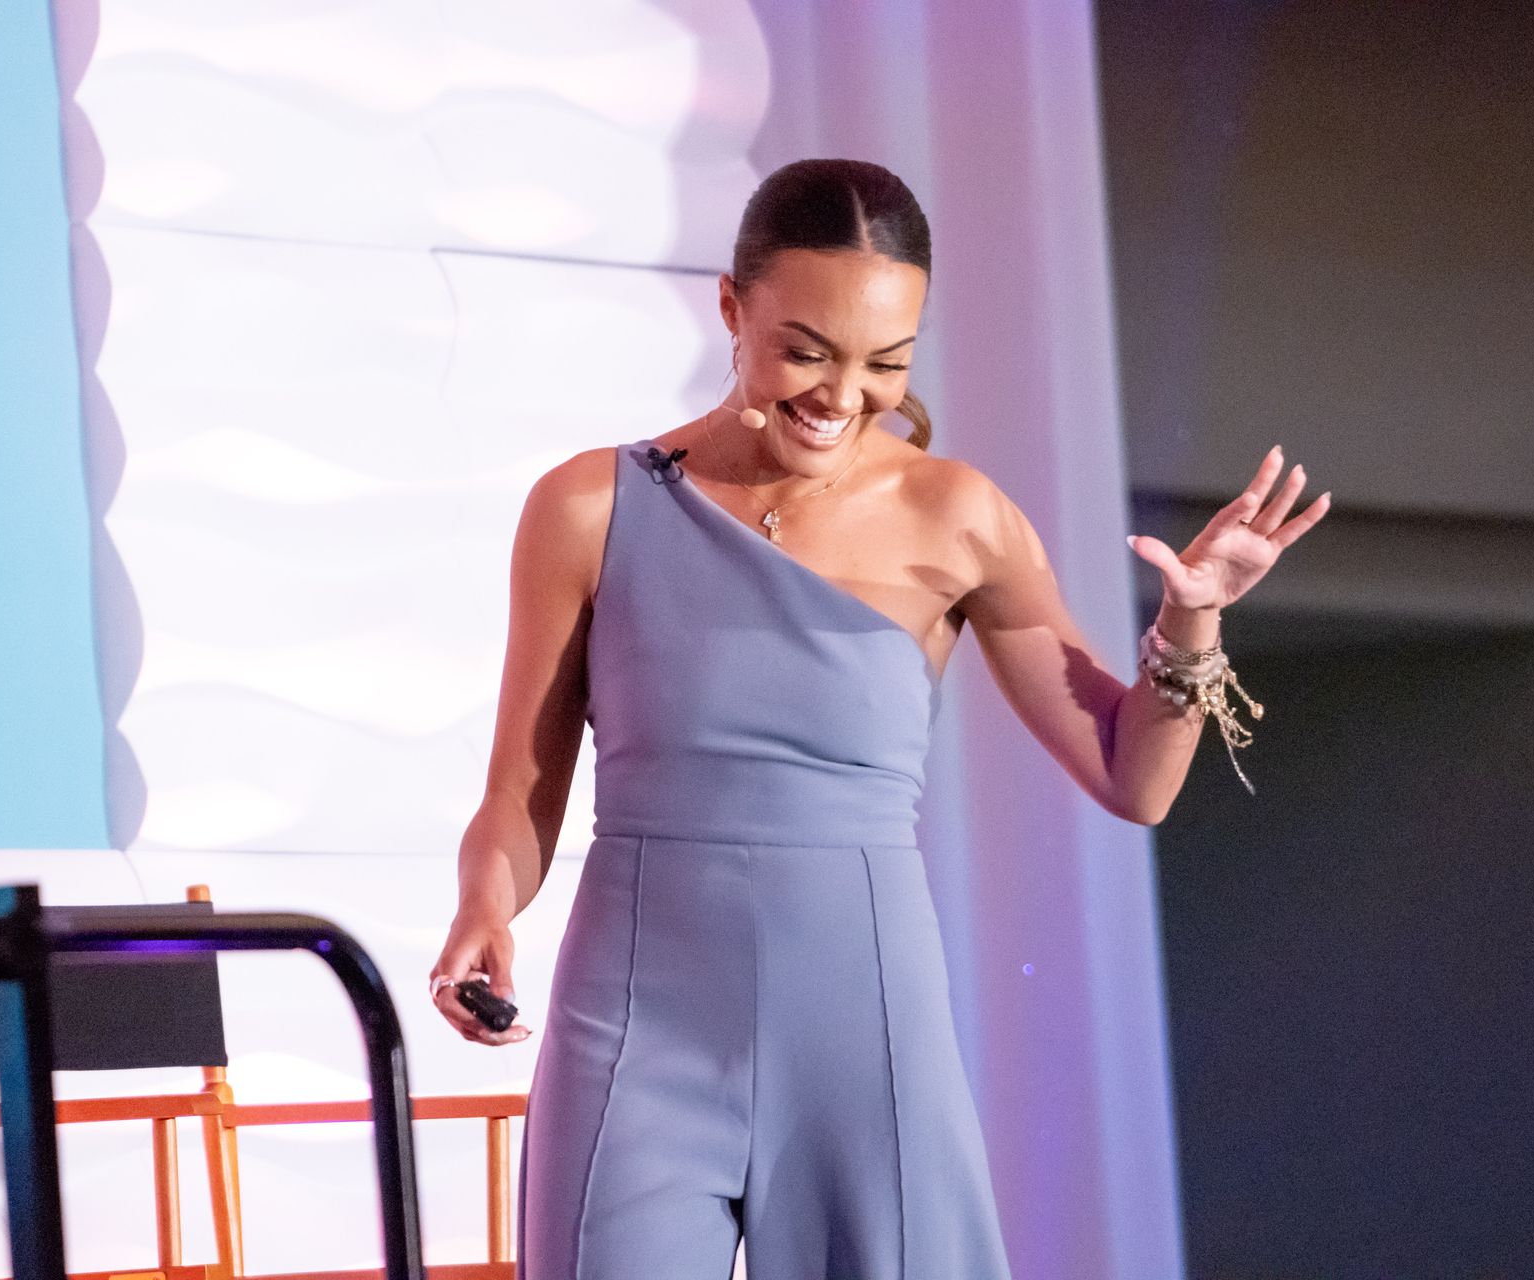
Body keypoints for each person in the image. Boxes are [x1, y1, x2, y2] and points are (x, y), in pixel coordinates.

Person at [429, 157, 1329, 1279]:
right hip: (634, 1020)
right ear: (730, 308)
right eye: (807, 351)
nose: (842, 394)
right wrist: (484, 905)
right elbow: (519, 790)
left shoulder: (956, 517)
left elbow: (1130, 775)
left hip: (864, 1025)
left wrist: (1191, 622)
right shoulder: (588, 506)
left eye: (884, 363)